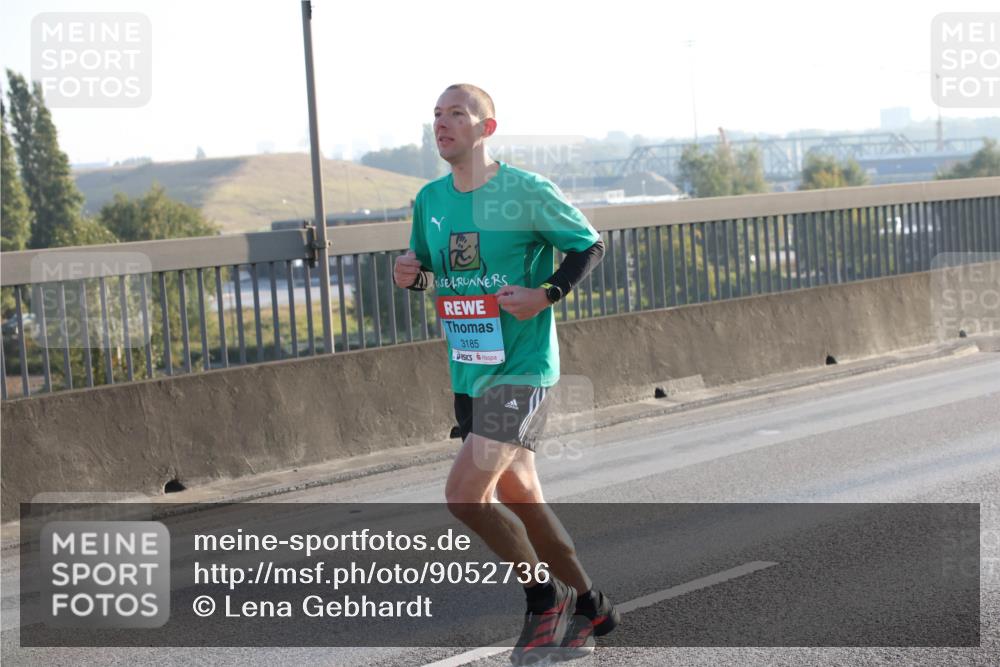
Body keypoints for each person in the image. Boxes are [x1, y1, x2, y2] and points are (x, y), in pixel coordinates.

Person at [393, 84, 619, 665]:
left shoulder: (526, 192)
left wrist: (545, 294)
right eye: (436, 115)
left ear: (486, 129)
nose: (442, 124)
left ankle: (544, 599)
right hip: (470, 373)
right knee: (526, 504)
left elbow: (589, 246)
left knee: (465, 496)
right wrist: (408, 275)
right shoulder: (429, 201)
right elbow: (433, 275)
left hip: (523, 370)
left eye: (456, 114)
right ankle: (593, 603)